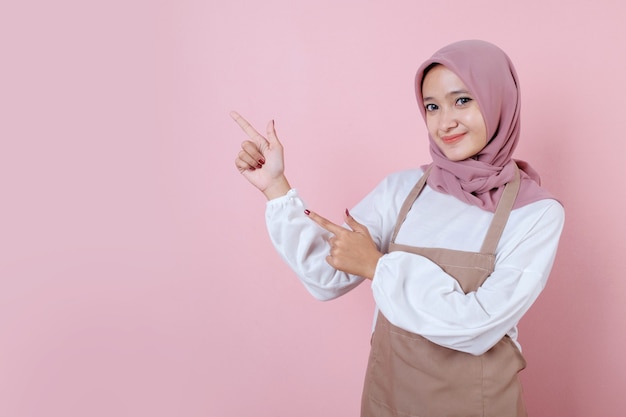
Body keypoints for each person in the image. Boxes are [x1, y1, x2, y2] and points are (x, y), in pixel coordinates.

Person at [231, 40, 564, 417]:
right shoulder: (401, 190)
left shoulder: (535, 213)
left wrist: (377, 267)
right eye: (432, 107)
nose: (445, 121)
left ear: (497, 99)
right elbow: (325, 275)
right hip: (388, 400)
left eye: (463, 100)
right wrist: (276, 187)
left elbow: (478, 325)